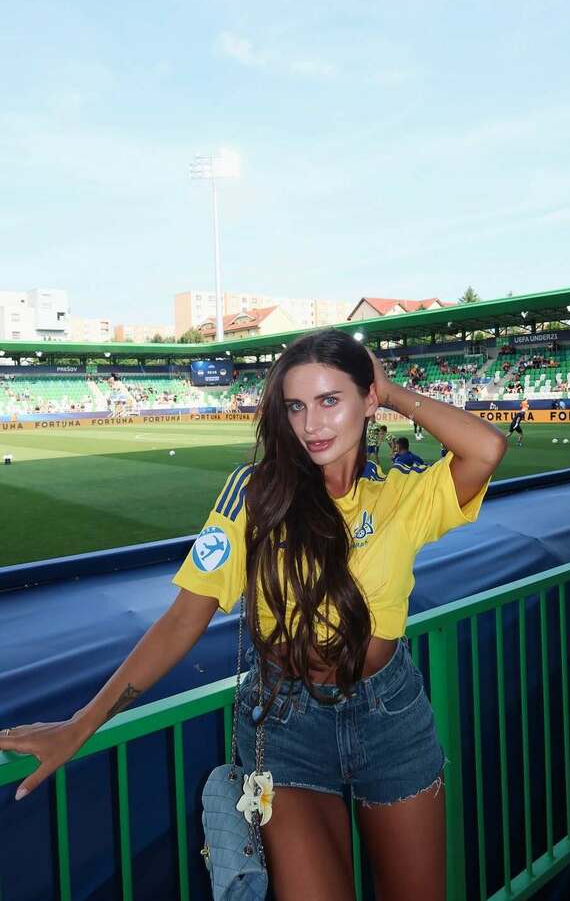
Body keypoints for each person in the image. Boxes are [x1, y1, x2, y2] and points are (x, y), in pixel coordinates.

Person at [0, 329, 506, 901]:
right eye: (296, 406)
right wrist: (82, 722)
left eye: (329, 400)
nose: (311, 424)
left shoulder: (400, 495)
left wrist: (390, 391)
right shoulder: (255, 493)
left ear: (367, 400)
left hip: (390, 716)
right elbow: (183, 618)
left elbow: (486, 449)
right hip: (287, 726)